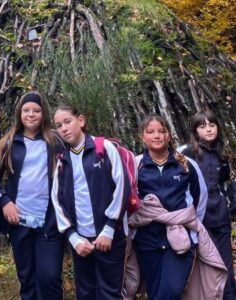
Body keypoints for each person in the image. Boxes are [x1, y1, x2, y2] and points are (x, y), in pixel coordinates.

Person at [0, 91, 65, 300]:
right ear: (19, 113)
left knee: (49, 277)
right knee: (27, 278)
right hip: (19, 221)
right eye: (26, 110)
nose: (31, 114)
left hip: (50, 222)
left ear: (44, 114)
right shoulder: (10, 141)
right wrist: (4, 201)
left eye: (36, 110)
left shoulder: (56, 141)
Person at [51, 105, 129, 299]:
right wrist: (73, 237)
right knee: (85, 294)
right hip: (81, 242)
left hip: (110, 238)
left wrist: (110, 228)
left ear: (81, 121)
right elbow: (57, 200)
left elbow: (122, 186)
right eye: (59, 125)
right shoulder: (62, 160)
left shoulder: (104, 148)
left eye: (67, 122)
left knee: (110, 294)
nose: (64, 128)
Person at [133, 114, 207, 299]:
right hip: (147, 240)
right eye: (150, 132)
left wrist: (189, 226)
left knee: (170, 291)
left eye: (161, 131)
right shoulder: (136, 165)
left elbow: (200, 199)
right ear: (142, 136)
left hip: (180, 239)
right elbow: (130, 200)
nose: (157, 136)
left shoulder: (185, 164)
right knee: (155, 291)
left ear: (168, 135)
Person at [180, 111, 236, 299]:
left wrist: (230, 206)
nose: (209, 129)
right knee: (207, 265)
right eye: (202, 126)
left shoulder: (222, 153)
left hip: (220, 216)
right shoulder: (187, 153)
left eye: (212, 125)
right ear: (195, 131)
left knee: (226, 264)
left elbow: (225, 183)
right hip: (199, 218)